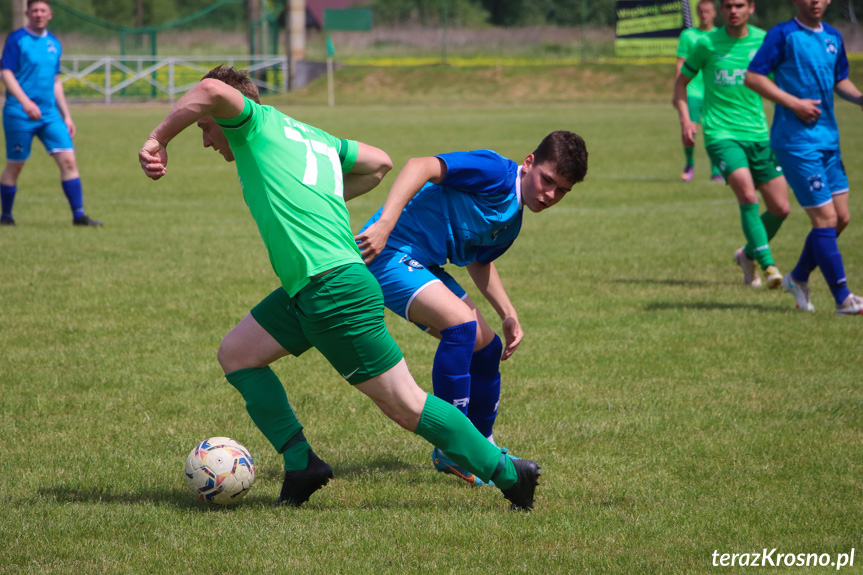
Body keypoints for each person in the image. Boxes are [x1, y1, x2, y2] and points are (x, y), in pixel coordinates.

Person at [138, 65, 541, 510]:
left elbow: (211, 89)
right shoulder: (307, 135)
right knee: (236, 355)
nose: (206, 139)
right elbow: (380, 163)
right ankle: (302, 464)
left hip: (334, 290)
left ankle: (508, 472)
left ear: (232, 111)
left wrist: (158, 139)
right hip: (311, 288)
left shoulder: (252, 123)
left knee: (406, 405)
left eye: (206, 126)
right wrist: (320, 194)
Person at [355, 131, 587, 485]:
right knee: (461, 328)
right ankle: (452, 449)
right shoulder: (495, 172)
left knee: (487, 346)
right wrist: (386, 222)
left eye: (562, 191)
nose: (550, 195)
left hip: (423, 265)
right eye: (548, 180)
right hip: (387, 253)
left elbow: (479, 262)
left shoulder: (512, 221)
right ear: (529, 163)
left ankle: (484, 447)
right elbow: (421, 166)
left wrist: (508, 314)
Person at [745, 0, 863, 315]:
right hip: (795, 142)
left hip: (829, 139)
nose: (814, 1)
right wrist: (793, 103)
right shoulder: (782, 34)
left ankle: (797, 277)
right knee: (824, 219)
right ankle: (843, 299)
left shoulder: (834, 37)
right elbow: (754, 77)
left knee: (841, 219)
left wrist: (860, 98)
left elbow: (840, 79)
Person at [674, 0, 789, 289]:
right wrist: (687, 120)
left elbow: (780, 82)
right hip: (721, 134)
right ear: (720, 10)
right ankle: (769, 265)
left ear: (750, 7)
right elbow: (680, 83)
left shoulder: (764, 40)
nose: (733, 11)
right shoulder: (706, 43)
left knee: (781, 208)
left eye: (739, 5)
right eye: (727, 6)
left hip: (760, 135)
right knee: (748, 196)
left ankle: (746, 254)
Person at [0, 0, 100, 227]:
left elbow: (56, 82)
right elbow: (6, 73)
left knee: (68, 160)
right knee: (16, 164)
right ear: (27, 13)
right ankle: (6, 216)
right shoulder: (17, 39)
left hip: (49, 115)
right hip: (19, 113)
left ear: (50, 14)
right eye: (34, 10)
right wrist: (25, 103)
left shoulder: (54, 43)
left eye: (42, 10)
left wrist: (67, 115)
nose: (38, 14)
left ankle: (79, 215)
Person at [673, 0, 723, 183]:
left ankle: (717, 170)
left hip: (713, 91)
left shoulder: (720, 36)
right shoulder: (688, 35)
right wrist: (676, 91)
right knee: (689, 129)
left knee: (715, 129)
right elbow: (680, 64)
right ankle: (690, 163)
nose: (704, 15)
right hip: (692, 90)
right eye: (701, 12)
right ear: (697, 12)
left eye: (708, 11)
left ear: (714, 13)